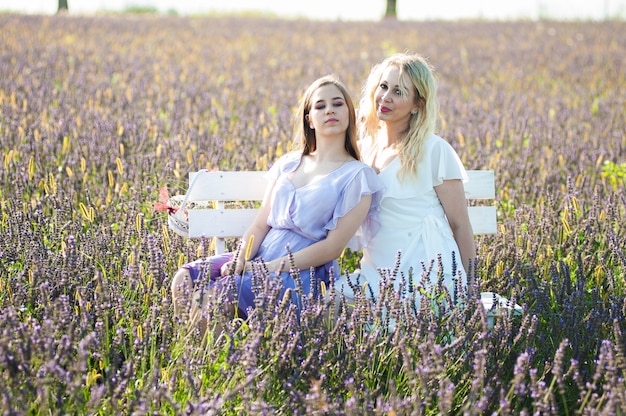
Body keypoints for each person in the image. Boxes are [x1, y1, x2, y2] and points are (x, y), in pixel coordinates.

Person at [170, 75, 384, 332]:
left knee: (211, 301)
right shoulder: (289, 163)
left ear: (350, 113)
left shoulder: (357, 176)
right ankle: (199, 361)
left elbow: (332, 248)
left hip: (302, 272)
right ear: (310, 120)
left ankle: (226, 366)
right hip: (258, 255)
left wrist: (268, 268)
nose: (329, 110)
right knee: (183, 280)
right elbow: (260, 225)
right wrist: (241, 259)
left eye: (337, 104)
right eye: (320, 106)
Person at [354, 52, 477, 305]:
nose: (385, 97)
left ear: (417, 104)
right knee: (328, 304)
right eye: (383, 86)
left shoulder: (433, 150)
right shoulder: (363, 149)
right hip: (374, 271)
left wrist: (472, 292)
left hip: (427, 273)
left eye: (398, 92)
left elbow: (460, 224)